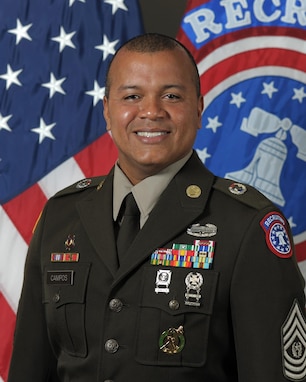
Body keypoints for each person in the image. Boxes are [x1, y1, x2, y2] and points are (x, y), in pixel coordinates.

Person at [8, 33, 306, 382]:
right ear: (107, 110)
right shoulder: (61, 218)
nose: (151, 111)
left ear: (198, 109)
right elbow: (29, 370)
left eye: (171, 96)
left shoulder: (247, 226)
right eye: (132, 96)